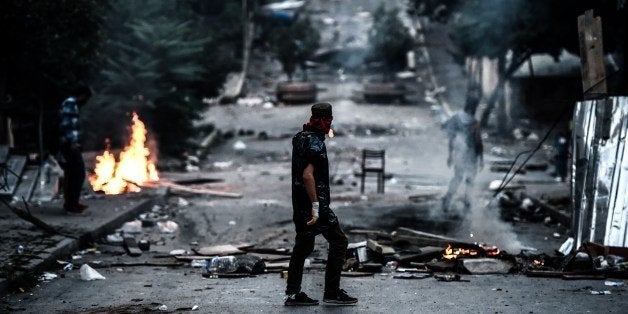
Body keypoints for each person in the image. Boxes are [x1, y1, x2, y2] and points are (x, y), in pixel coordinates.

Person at [285, 102, 357, 306]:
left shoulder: (300, 137)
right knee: (339, 241)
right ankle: (332, 292)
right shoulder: (315, 142)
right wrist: (316, 205)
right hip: (315, 206)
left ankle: (292, 294)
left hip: (299, 204)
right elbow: (308, 176)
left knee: (302, 247)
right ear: (327, 119)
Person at [441, 89, 484, 212]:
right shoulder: (475, 123)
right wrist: (481, 159)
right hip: (471, 155)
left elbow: (452, 138)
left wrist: (450, 155)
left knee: (457, 177)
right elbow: (478, 142)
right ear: (474, 107)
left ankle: (447, 199)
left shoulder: (456, 118)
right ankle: (467, 203)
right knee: (470, 179)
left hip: (459, 154)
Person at [58, 86, 91, 214]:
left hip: (68, 143)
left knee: (72, 173)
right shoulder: (71, 103)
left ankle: (72, 203)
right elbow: (67, 125)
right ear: (82, 95)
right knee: (78, 173)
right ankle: (71, 204)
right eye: (86, 98)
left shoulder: (69, 103)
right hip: (68, 144)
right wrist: (72, 142)